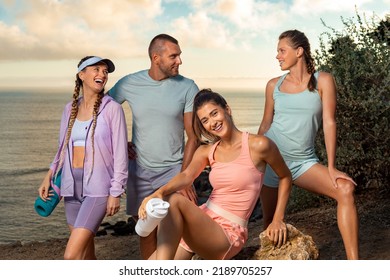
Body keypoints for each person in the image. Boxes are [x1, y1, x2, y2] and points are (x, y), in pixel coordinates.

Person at [138, 88, 292, 260]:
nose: (212, 122)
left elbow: (285, 176)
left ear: (227, 109)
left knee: (172, 200)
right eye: (205, 120)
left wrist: (277, 219)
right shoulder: (207, 151)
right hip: (203, 221)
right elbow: (187, 176)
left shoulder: (259, 145)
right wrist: (156, 193)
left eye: (214, 113)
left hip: (228, 232)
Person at [257, 29, 359, 260]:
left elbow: (329, 122)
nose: (278, 56)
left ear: (299, 51)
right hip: (272, 163)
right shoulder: (274, 85)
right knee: (270, 224)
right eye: (278, 52)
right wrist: (252, 161)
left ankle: (355, 265)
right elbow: (265, 125)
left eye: (282, 51)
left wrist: (331, 167)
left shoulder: (323, 80)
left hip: (303, 163)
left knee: (345, 189)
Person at [108, 34, 200, 259]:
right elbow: (103, 113)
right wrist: (119, 144)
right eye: (174, 56)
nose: (179, 61)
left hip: (173, 170)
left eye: (179, 55)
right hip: (139, 170)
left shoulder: (188, 87)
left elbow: (193, 136)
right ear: (156, 57)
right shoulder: (130, 83)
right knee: (145, 228)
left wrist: (185, 175)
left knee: (174, 230)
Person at [38, 56, 128, 260]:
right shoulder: (69, 109)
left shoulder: (112, 109)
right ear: (81, 75)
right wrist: (49, 175)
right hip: (71, 189)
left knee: (71, 256)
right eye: (96, 69)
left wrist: (115, 191)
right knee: (86, 256)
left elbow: (121, 154)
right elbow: (62, 148)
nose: (102, 74)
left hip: (98, 190)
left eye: (105, 71)